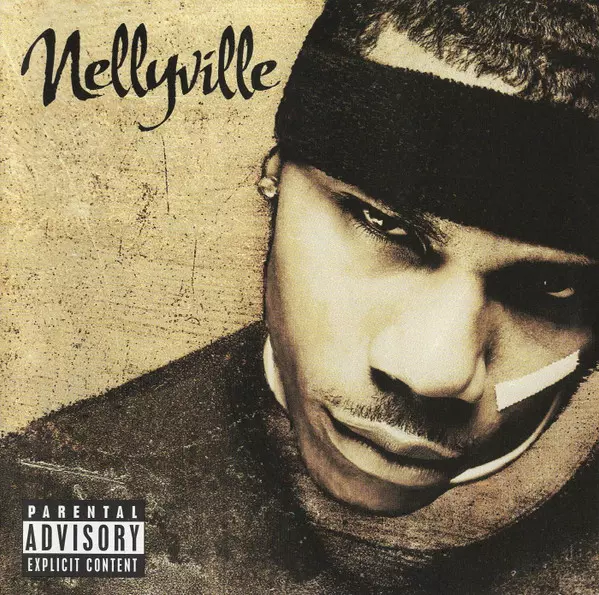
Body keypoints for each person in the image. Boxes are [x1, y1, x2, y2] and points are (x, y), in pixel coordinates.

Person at [1, 1, 598, 593]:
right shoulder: (57, 500)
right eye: (385, 227)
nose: (431, 372)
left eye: (551, 287)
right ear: (275, 176)